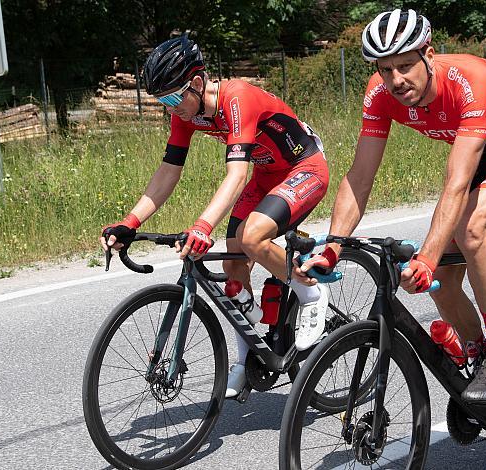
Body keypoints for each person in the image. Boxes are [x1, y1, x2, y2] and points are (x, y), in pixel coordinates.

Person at [298, 9, 486, 403]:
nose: (396, 80)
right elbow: (360, 177)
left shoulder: (471, 81)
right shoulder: (379, 94)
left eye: (405, 65)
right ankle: (478, 356)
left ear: (429, 55)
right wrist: (332, 247)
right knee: (442, 285)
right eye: (386, 70)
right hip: (479, 151)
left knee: (469, 230)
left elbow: (455, 184)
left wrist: (427, 258)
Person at [100, 34, 330, 399]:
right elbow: (167, 172)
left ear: (196, 83)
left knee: (253, 238)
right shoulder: (187, 113)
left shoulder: (237, 98)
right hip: (267, 176)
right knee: (236, 267)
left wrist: (202, 226)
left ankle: (312, 292)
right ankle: (247, 359)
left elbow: (236, 175)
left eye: (173, 98)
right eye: (162, 102)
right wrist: (130, 222)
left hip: (304, 169)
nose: (170, 108)